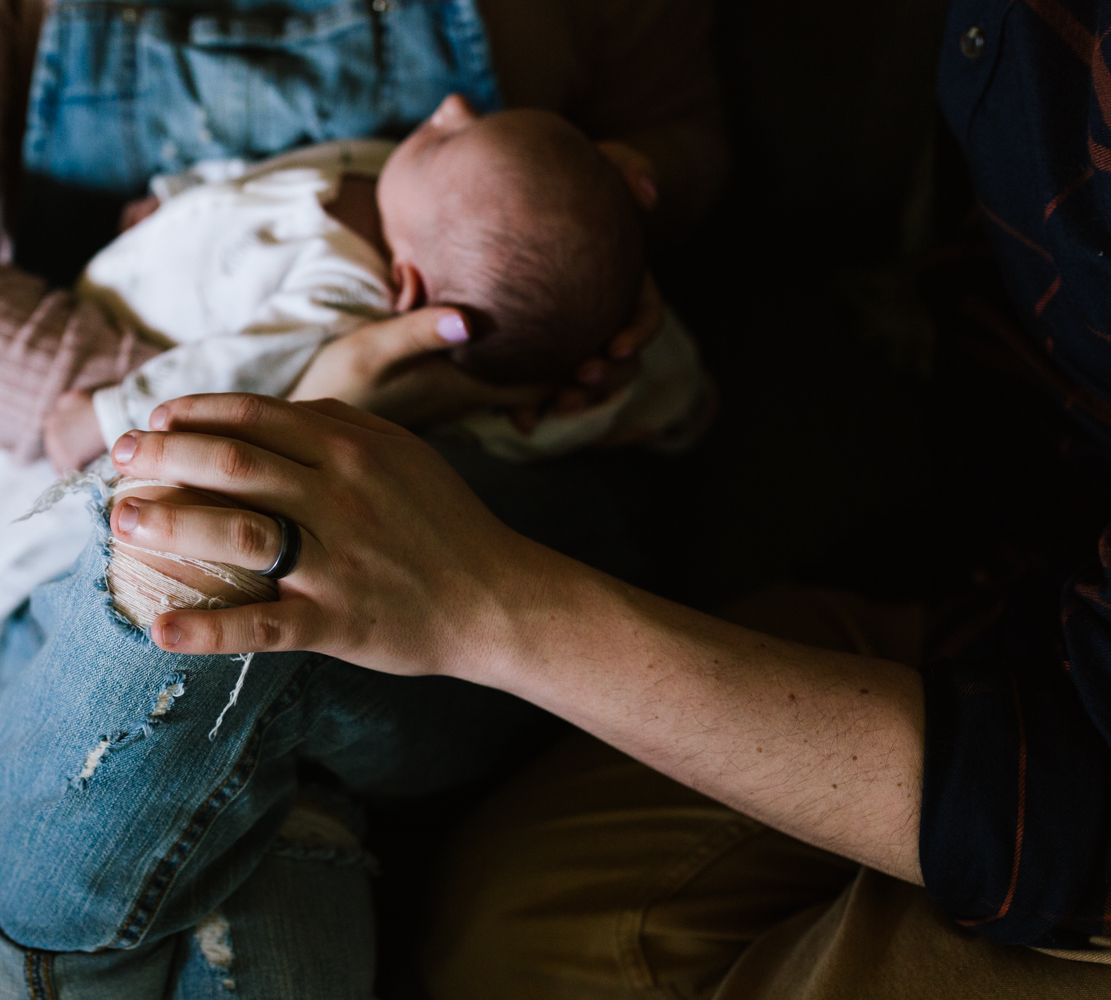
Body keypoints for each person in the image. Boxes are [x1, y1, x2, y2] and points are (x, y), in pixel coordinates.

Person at [66, 0, 1111, 993]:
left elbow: (1067, 809)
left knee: (210, 597)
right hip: (1008, 568)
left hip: (1070, 761)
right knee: (496, 936)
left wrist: (488, 597)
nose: (447, 115)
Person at [0, 99, 704, 684]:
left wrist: (109, 413)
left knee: (16, 534)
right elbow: (262, 175)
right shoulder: (386, 179)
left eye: (449, 141)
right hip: (101, 302)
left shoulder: (337, 294)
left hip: (129, 428)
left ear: (406, 289)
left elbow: (226, 372)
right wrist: (178, 196)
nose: (449, 107)